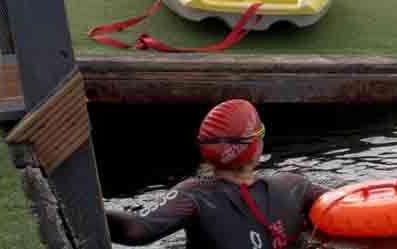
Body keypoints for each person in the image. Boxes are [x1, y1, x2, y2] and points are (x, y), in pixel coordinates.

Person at [106, 99, 329, 248]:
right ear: (255, 147)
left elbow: (136, 230)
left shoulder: (195, 196)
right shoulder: (294, 186)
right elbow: (348, 201)